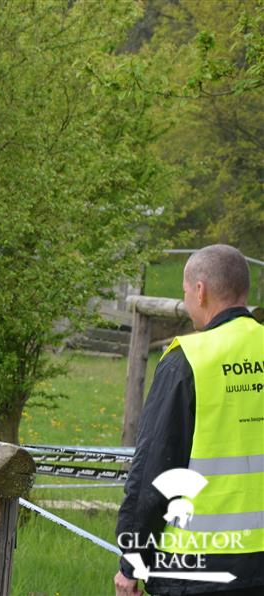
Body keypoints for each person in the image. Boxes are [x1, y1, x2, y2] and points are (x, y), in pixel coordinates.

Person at [113, 244, 263, 596]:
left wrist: (132, 560)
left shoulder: (188, 360)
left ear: (200, 290)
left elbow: (154, 471)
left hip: (195, 567)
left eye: (184, 292)